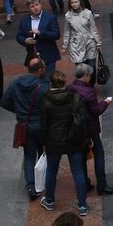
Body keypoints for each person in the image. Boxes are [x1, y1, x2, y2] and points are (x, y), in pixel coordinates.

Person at [39, 71, 88, 213]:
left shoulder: (45, 100)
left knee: (51, 171)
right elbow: (83, 119)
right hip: (73, 139)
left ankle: (49, 201)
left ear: (51, 84)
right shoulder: (75, 98)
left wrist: (43, 142)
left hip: (53, 141)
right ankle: (83, 205)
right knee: (78, 172)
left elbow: (43, 125)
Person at [3, 57, 49, 200]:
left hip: (25, 125)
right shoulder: (44, 87)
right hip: (41, 125)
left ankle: (31, 186)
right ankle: (45, 181)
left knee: (29, 155)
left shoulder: (16, 84)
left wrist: (19, 111)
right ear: (40, 70)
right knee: (45, 153)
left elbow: (4, 102)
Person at [69, 63, 113, 195]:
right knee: (99, 154)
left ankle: (85, 183)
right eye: (89, 75)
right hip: (91, 129)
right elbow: (96, 111)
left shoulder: (70, 88)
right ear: (85, 76)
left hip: (77, 129)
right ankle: (102, 185)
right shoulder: (89, 92)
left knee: (82, 156)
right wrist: (105, 102)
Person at [17, 0, 61, 78]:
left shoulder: (50, 18)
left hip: (48, 55)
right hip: (33, 56)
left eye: (37, 5)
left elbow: (56, 34)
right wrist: (25, 41)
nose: (35, 8)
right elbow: (19, 36)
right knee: (36, 80)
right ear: (28, 8)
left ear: (41, 5)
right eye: (32, 6)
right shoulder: (24, 20)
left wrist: (41, 33)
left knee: (48, 79)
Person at [61, 0, 101, 70]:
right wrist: (64, 46)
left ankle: (91, 81)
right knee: (81, 70)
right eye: (72, 2)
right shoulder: (68, 15)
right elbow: (67, 32)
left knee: (91, 67)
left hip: (89, 42)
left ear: (80, 2)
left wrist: (98, 42)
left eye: (76, 2)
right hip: (76, 45)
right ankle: (84, 82)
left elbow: (93, 29)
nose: (74, 4)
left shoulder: (88, 13)